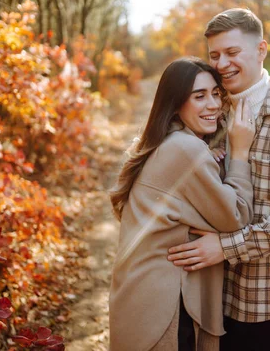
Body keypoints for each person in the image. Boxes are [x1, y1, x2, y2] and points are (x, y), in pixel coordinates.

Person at [167, 9, 270, 351]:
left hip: (261, 294)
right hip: (201, 286)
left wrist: (225, 248)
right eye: (214, 55)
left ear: (261, 50)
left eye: (232, 52)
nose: (222, 63)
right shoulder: (209, 108)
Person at [108, 57, 256, 351]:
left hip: (140, 297)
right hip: (165, 306)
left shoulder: (166, 141)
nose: (213, 104)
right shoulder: (186, 149)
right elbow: (236, 216)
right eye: (199, 96)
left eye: (216, 93)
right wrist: (239, 153)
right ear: (176, 103)